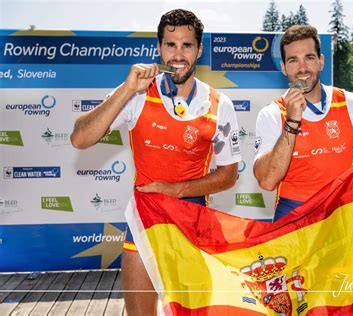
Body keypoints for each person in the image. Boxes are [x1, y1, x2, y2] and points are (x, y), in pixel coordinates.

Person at [70, 9, 241, 315]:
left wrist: (175, 190)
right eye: (171, 45)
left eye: (187, 45)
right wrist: (126, 90)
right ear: (159, 48)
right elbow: (80, 138)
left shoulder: (219, 104)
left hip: (193, 221)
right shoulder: (137, 93)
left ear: (199, 50)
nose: (178, 55)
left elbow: (229, 175)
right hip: (144, 222)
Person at [253, 25, 353, 221]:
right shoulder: (272, 114)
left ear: (321, 62)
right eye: (293, 60)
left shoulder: (352, 103)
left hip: (341, 215)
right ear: (283, 67)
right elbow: (267, 181)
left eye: (309, 57)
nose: (302, 68)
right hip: (295, 218)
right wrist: (291, 121)